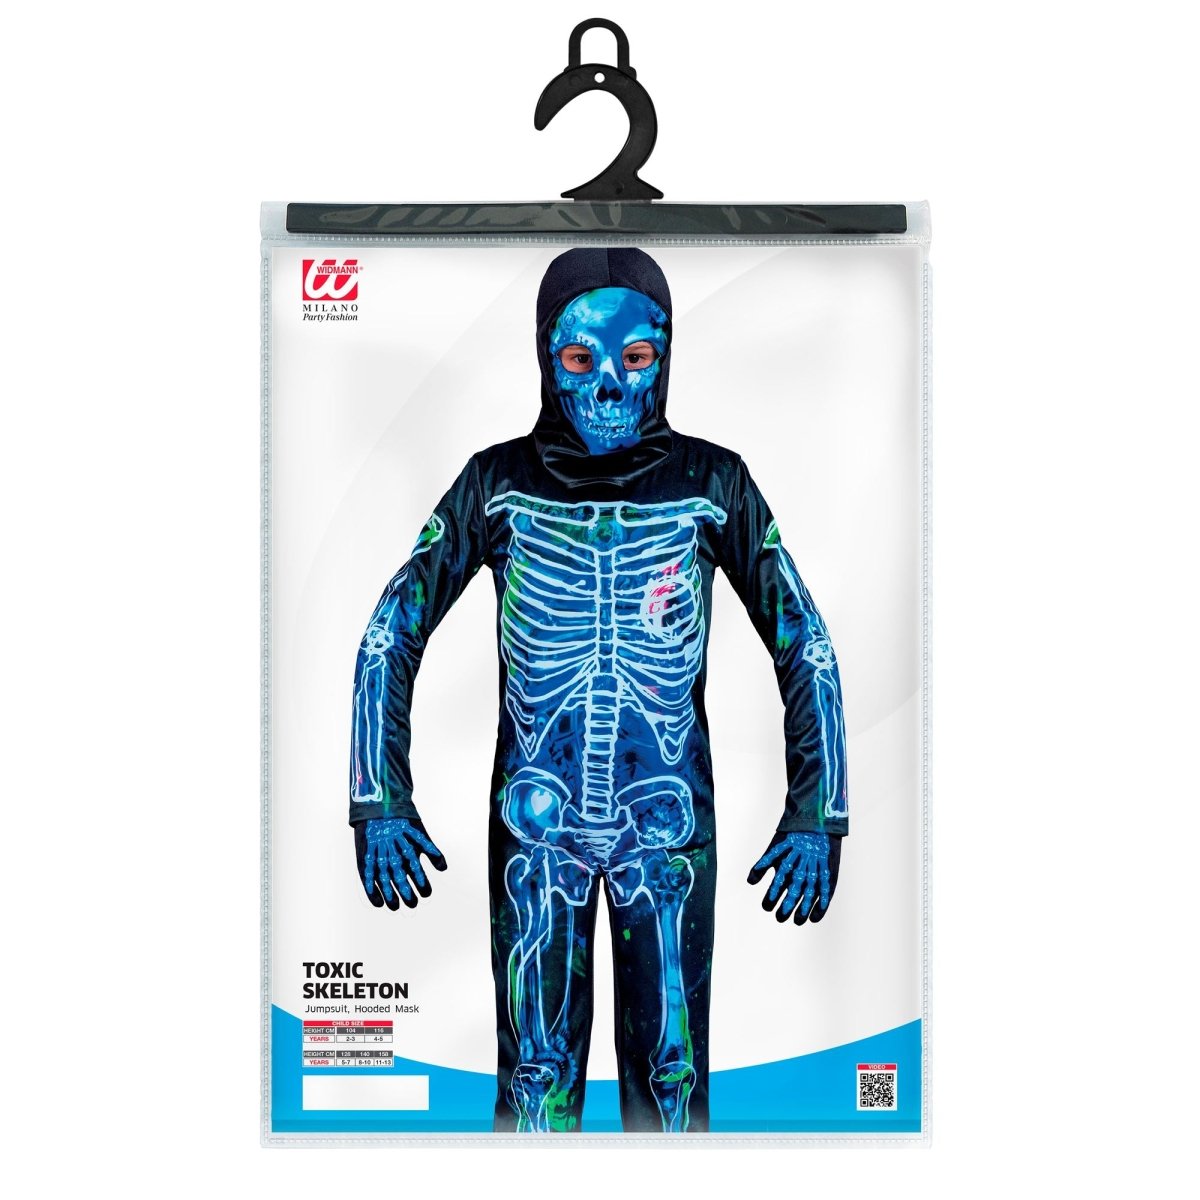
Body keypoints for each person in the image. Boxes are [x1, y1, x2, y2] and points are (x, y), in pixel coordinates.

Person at [348, 247, 848, 1133]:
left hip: (666, 822)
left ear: (666, 356)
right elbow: (395, 629)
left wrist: (818, 812)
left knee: (672, 1081)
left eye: (637, 357)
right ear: (547, 359)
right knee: (534, 1086)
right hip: (539, 823)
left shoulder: (713, 484)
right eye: (581, 359)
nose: (610, 385)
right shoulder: (497, 484)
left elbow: (802, 642)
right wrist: (378, 799)